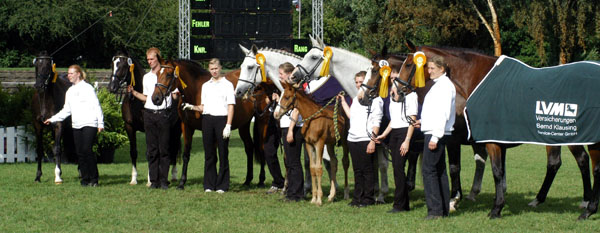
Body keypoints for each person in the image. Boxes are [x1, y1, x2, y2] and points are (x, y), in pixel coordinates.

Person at [44, 64, 104, 187]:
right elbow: (66, 110)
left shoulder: (88, 88)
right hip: (76, 125)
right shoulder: (70, 91)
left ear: (78, 74)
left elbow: (96, 105)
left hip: (90, 123)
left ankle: (94, 179)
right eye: (68, 73)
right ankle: (85, 179)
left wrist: (100, 123)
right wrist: (52, 119)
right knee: (80, 152)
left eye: (71, 73)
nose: (68, 76)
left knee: (87, 150)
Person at [128, 47, 178, 189]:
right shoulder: (146, 77)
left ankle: (164, 181)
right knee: (152, 150)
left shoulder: (167, 74)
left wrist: (176, 94)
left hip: (163, 114)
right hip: (149, 114)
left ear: (158, 59)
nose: (149, 62)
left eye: (152, 59)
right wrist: (134, 93)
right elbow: (146, 98)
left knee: (164, 149)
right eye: (148, 59)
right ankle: (153, 181)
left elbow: (174, 94)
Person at [182, 58, 235, 193]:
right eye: (211, 69)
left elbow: (230, 106)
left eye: (216, 68)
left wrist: (228, 125)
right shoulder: (206, 86)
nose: (214, 71)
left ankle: (222, 185)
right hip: (207, 120)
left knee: (223, 153)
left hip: (221, 119)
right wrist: (191, 107)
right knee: (209, 154)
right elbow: (203, 107)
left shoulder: (227, 85)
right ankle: (209, 185)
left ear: (220, 68)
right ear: (209, 70)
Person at [375, 69, 418, 213]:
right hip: (394, 133)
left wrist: (407, 140)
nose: (393, 81)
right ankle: (403, 204)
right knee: (397, 169)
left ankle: (399, 205)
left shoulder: (411, 96)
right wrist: (383, 135)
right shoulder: (392, 96)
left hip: (405, 132)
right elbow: (393, 121)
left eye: (396, 78)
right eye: (391, 79)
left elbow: (412, 120)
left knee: (399, 169)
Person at [418, 55, 456, 219]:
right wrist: (422, 121)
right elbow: (435, 111)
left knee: (429, 171)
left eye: (433, 68)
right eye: (429, 67)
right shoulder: (439, 85)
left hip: (436, 134)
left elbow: (443, 113)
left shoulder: (444, 87)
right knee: (439, 171)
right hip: (435, 131)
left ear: (442, 69)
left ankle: (435, 211)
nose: (429, 71)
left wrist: (435, 137)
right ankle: (443, 209)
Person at [338, 71, 383, 207]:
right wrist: (343, 102)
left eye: (361, 82)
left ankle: (368, 198)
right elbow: (351, 116)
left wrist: (372, 141)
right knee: (357, 170)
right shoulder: (356, 99)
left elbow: (376, 122)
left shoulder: (376, 100)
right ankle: (357, 198)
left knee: (367, 170)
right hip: (353, 139)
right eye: (356, 82)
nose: (358, 85)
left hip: (365, 139)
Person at [273, 62, 305, 201]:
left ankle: (296, 193)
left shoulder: (295, 89)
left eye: (281, 73)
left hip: (294, 127)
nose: (279, 76)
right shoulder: (285, 89)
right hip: (286, 126)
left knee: (294, 162)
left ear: (288, 74)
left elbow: (296, 110)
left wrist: (291, 130)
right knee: (290, 161)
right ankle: (291, 191)